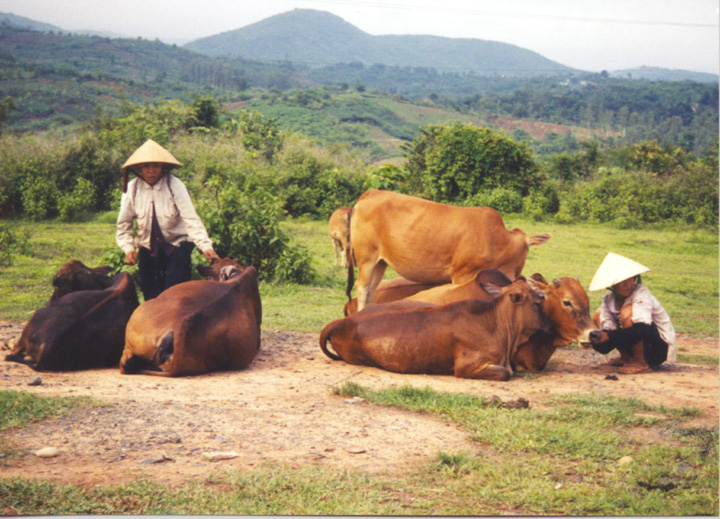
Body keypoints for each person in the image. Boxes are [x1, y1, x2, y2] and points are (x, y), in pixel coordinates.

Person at [116, 139, 220, 301]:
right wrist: (128, 248)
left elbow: (190, 218)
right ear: (139, 168)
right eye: (146, 166)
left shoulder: (174, 185)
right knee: (150, 292)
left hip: (177, 246)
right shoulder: (133, 188)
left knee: (175, 293)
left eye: (156, 166)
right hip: (148, 247)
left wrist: (206, 246)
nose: (151, 171)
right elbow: (124, 223)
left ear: (162, 167)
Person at [588, 252, 676, 374]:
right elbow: (609, 335)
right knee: (599, 314)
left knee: (627, 312)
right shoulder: (608, 301)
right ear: (613, 284)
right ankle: (626, 358)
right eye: (622, 281)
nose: (628, 284)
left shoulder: (641, 295)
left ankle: (641, 362)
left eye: (631, 279)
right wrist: (599, 339)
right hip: (634, 338)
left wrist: (608, 336)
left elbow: (642, 328)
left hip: (657, 349)